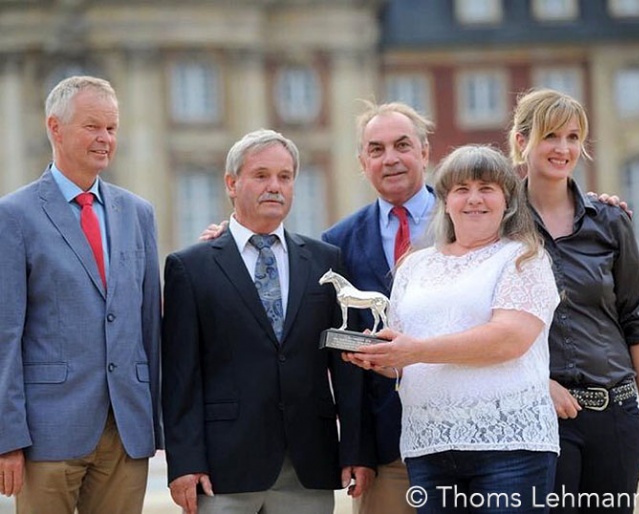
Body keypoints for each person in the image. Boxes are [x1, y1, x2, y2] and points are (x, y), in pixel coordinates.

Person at [161, 129, 375, 514]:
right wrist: (185, 462)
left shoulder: (326, 261)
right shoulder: (189, 267)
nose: (274, 186)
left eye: (285, 177)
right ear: (231, 183)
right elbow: (180, 376)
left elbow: (345, 368)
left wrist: (357, 448)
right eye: (261, 176)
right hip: (223, 469)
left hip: (308, 464)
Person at [346, 144, 561, 513]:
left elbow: (508, 340)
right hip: (429, 446)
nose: (473, 199)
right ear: (445, 201)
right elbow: (402, 356)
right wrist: (379, 356)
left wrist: (413, 351)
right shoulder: (414, 266)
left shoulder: (524, 257)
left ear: (507, 200)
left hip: (509, 446)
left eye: (486, 188)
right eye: (461, 189)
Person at [0, 76, 162, 514]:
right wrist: (7, 438)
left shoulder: (138, 214)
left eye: (111, 128)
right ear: (55, 128)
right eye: (93, 127)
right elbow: (5, 335)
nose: (105, 139)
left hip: (126, 434)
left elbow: (150, 328)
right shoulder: (14, 215)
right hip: (47, 436)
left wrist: (157, 428)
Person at [509, 88, 639, 513]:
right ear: (522, 142)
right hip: (542, 415)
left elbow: (636, 321)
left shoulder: (610, 222)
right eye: (551, 136)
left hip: (617, 412)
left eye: (573, 137)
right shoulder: (502, 227)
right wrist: (536, 384)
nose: (564, 148)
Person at [321, 101, 434, 514]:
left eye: (402, 145)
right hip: (386, 451)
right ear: (362, 162)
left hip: (468, 438)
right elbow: (342, 362)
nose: (390, 159)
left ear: (424, 152)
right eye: (376, 149)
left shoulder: (469, 219)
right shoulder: (337, 242)